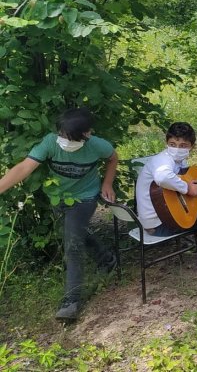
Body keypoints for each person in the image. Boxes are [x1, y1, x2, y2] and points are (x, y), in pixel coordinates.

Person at [0, 107, 118, 321]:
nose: (64, 140)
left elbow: (113, 158)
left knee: (72, 245)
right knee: (74, 233)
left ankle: (71, 301)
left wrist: (107, 183)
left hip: (84, 198)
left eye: (70, 138)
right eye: (62, 135)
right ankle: (107, 258)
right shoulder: (50, 142)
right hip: (57, 198)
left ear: (87, 134)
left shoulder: (97, 146)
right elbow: (24, 168)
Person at [135, 122, 197, 277]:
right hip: (161, 224)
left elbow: (181, 183)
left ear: (191, 146)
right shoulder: (162, 161)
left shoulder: (179, 161)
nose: (177, 149)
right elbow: (162, 177)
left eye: (183, 145)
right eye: (172, 144)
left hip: (169, 212)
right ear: (166, 143)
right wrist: (188, 188)